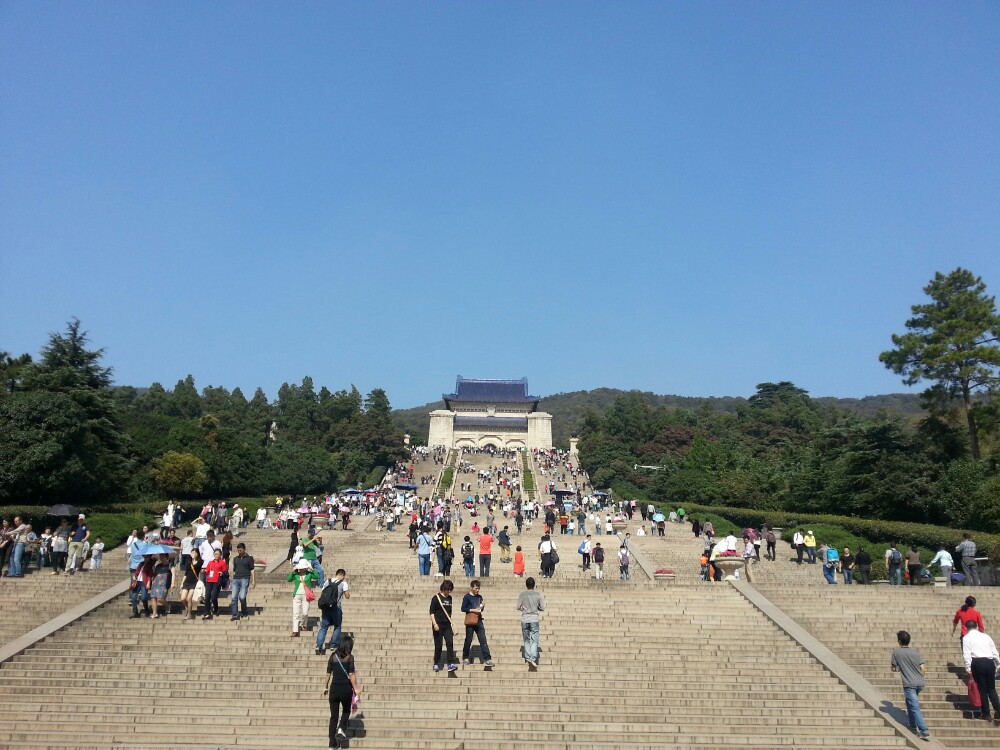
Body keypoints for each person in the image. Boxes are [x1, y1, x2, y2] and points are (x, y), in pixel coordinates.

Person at [891, 630, 930, 740]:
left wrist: (900, 668)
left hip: (909, 683)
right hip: (920, 682)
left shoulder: (896, 652)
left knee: (914, 707)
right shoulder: (916, 652)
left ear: (899, 641)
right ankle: (912, 724)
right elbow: (923, 669)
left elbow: (893, 668)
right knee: (909, 702)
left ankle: (924, 730)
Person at [324, 634, 359, 748]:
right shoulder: (350, 657)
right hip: (345, 690)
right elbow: (351, 674)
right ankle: (341, 728)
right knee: (345, 711)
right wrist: (356, 688)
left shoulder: (333, 656)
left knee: (333, 717)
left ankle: (331, 743)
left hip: (334, 689)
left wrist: (325, 686)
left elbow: (328, 673)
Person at [963, 619, 1000, 721]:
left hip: (977, 663)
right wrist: (998, 663)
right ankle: (998, 709)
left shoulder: (966, 638)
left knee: (982, 689)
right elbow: (994, 651)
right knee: (991, 689)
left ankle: (986, 713)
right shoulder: (985, 636)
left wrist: (968, 668)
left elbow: (967, 654)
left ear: (966, 628)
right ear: (976, 626)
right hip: (989, 663)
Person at [316, 568, 350, 655]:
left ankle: (318, 645)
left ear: (336, 574)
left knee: (323, 627)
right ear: (342, 575)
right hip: (336, 608)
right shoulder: (343, 583)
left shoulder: (327, 581)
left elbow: (323, 593)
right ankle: (333, 645)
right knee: (337, 626)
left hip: (325, 607)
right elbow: (347, 596)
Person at [460, 580, 494, 666]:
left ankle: (487, 659)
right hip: (470, 620)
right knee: (468, 640)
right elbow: (463, 608)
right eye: (476, 588)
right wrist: (473, 610)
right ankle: (465, 657)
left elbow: (480, 608)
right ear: (471, 588)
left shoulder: (479, 597)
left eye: (478, 588)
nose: (477, 590)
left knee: (483, 640)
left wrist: (482, 607)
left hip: (478, 620)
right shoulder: (467, 597)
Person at [429, 579, 459, 673]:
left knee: (450, 643)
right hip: (438, 625)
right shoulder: (436, 597)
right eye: (447, 589)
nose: (449, 591)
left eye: (450, 590)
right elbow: (431, 612)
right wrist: (434, 623)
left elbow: (450, 611)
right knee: (438, 646)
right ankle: (436, 663)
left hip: (447, 625)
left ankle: (451, 663)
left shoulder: (450, 598)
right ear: (443, 588)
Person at [517, 576, 545, 668]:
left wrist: (523, 608)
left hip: (525, 618)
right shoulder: (538, 595)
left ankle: (528, 657)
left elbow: (518, 607)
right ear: (534, 585)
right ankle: (533, 658)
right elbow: (542, 607)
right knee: (534, 640)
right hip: (534, 618)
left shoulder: (522, 594)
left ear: (526, 585)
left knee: (526, 639)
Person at [288, 558, 318, 637]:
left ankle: (303, 624)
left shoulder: (309, 574)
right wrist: (293, 571)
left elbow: (316, 576)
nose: (301, 569)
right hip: (297, 595)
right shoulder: (296, 574)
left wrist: (312, 569)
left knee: (305, 612)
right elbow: (289, 579)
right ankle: (295, 631)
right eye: (300, 568)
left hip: (306, 595)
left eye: (302, 568)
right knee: (296, 613)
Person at [230, 542, 256, 620]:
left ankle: (244, 611)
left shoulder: (249, 558)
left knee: (242, 597)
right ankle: (234, 615)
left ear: (244, 549)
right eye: (238, 550)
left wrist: (253, 580)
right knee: (234, 597)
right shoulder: (235, 559)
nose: (239, 552)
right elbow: (234, 570)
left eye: (240, 550)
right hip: (236, 579)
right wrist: (234, 577)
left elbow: (252, 569)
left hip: (245, 578)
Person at [202, 548, 227, 619]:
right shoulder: (210, 562)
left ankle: (216, 609)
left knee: (213, 598)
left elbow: (225, 572)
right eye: (215, 554)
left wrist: (222, 573)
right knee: (207, 597)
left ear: (220, 555)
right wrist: (204, 571)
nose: (216, 555)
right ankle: (207, 613)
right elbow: (207, 571)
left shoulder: (222, 562)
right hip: (209, 581)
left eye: (218, 554)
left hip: (217, 581)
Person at [178, 549, 203, 619]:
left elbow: (198, 567)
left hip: (194, 582)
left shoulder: (200, 562)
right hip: (187, 581)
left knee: (189, 598)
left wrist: (194, 559)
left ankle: (189, 614)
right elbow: (186, 573)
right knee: (183, 598)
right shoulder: (189, 562)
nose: (193, 554)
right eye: (192, 552)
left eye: (195, 552)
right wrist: (182, 583)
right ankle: (187, 607)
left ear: (197, 553)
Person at [149, 553, 172, 618]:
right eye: (160, 556)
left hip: (164, 583)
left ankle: (167, 605)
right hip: (156, 582)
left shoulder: (170, 565)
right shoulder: (158, 565)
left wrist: (172, 582)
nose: (161, 558)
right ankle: (154, 613)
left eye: (163, 556)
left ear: (166, 557)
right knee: (153, 597)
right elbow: (154, 573)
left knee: (161, 598)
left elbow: (173, 573)